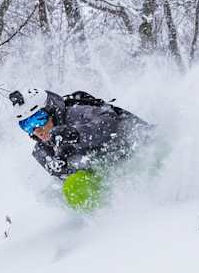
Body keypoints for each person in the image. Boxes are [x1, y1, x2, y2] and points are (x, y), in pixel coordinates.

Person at [9, 88, 152, 209]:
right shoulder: (42, 152)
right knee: (57, 193)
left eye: (39, 119)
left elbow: (109, 122)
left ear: (51, 110)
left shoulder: (76, 113)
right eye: (27, 125)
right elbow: (68, 179)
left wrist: (76, 134)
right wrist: (64, 168)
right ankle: (103, 224)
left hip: (139, 150)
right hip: (112, 177)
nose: (37, 129)